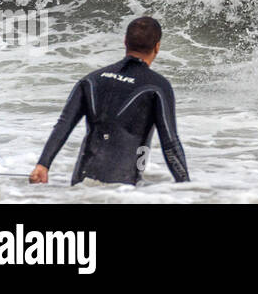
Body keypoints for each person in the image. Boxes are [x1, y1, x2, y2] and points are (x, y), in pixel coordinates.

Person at [29, 16, 189, 185]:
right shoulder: (157, 87)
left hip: (81, 185)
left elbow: (63, 125)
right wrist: (186, 185)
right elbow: (170, 143)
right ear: (157, 46)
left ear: (125, 42)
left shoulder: (91, 80)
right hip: (123, 191)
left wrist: (43, 165)